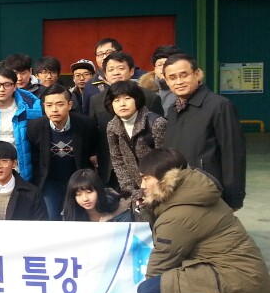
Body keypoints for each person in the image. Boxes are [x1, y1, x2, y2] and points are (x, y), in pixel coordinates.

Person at [135, 148, 270, 293]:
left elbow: (162, 260)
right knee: (167, 285)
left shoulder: (179, 213)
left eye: (146, 179)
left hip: (237, 278)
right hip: (240, 272)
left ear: (165, 179)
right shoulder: (191, 193)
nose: (142, 185)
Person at [162, 53, 247, 209]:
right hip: (179, 192)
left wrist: (234, 198)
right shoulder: (173, 110)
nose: (179, 82)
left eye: (184, 75)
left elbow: (233, 154)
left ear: (197, 74)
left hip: (209, 192)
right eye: (172, 78)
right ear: (166, 81)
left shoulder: (220, 106)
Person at [89, 51, 164, 185]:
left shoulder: (150, 97)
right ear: (105, 74)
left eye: (121, 68)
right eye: (111, 70)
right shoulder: (96, 100)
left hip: (146, 168)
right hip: (109, 167)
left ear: (131, 71)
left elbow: (159, 137)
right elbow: (93, 131)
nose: (116, 73)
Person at [27, 85, 98, 219]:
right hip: (50, 181)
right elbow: (35, 157)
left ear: (69, 105)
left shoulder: (86, 125)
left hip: (78, 180)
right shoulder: (35, 126)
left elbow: (92, 150)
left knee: (80, 218)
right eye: (49, 105)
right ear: (44, 106)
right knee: (50, 217)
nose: (54, 109)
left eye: (60, 104)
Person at [104, 81, 167, 198]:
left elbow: (165, 160)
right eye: (116, 100)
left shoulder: (156, 123)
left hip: (159, 187)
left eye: (127, 98)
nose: (122, 104)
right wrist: (130, 191)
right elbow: (117, 159)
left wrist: (152, 188)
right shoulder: (112, 126)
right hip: (134, 189)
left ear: (137, 100)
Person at [61, 169, 132, 222]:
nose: (85, 199)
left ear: (99, 190)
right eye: (78, 194)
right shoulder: (70, 214)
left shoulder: (120, 211)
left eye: (89, 192)